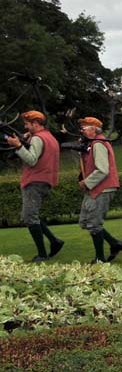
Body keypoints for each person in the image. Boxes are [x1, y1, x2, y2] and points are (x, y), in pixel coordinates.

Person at [4, 110, 64, 262]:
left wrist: (18, 146)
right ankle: (54, 241)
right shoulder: (49, 137)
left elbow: (31, 160)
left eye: (27, 124)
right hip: (45, 180)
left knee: (29, 218)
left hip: (34, 182)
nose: (25, 127)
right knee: (30, 216)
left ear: (35, 124)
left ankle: (42, 254)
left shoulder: (38, 138)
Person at [77, 116, 122, 263]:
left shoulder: (98, 144)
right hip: (96, 189)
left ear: (93, 129)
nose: (82, 131)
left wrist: (86, 182)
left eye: (84, 128)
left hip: (101, 189)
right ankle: (115, 244)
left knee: (94, 224)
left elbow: (102, 170)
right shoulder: (94, 143)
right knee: (85, 221)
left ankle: (100, 258)